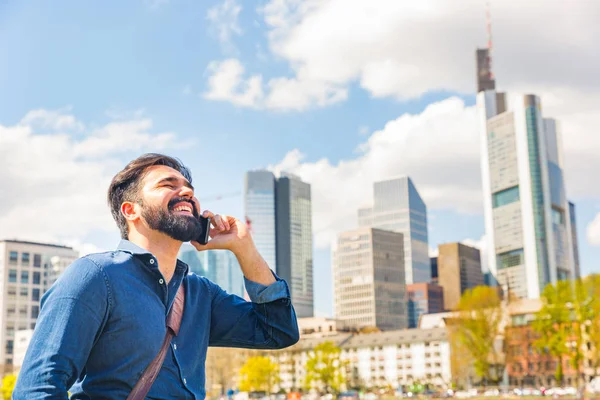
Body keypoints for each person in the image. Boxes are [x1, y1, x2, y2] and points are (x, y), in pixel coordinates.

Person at [13, 153, 299, 399]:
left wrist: (243, 247)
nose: (187, 192)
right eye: (168, 185)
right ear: (131, 210)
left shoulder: (202, 294)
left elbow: (278, 331)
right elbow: (38, 389)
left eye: (189, 188)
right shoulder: (96, 276)